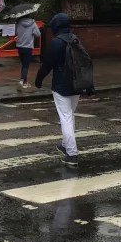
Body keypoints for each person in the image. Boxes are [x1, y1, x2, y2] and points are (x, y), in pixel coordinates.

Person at [35, 13, 94, 168]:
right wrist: (89, 85)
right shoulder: (75, 40)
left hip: (61, 86)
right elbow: (85, 62)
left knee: (66, 118)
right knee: (69, 116)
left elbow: (47, 64)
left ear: (55, 27)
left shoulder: (56, 42)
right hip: (76, 85)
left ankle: (72, 154)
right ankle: (64, 144)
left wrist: (39, 79)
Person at [15, 16, 41, 90]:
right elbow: (38, 34)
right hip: (28, 47)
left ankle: (25, 83)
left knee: (23, 64)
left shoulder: (18, 22)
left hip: (19, 46)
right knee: (26, 65)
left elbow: (16, 32)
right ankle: (22, 81)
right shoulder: (33, 23)